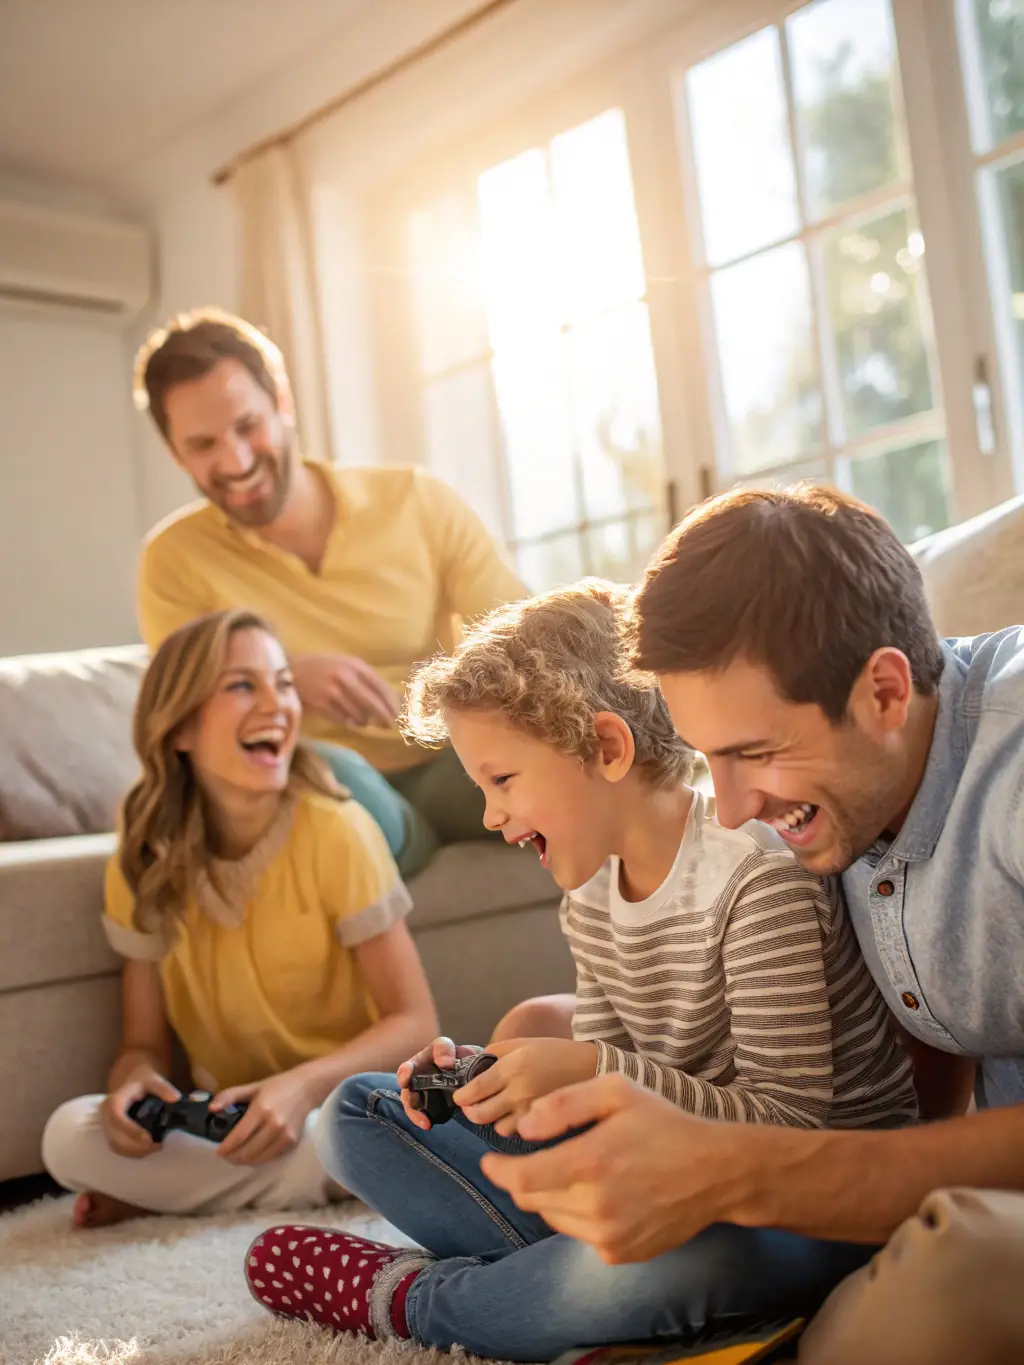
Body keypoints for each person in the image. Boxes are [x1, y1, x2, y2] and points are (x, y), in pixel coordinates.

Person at [242, 580, 918, 1361]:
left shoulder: (754, 881)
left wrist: (595, 1067)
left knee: (614, 1273)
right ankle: (591, 1306)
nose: (492, 814)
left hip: (805, 1208)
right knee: (355, 1113)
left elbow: (789, 1125)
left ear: (605, 747)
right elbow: (606, 1104)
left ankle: (414, 1298)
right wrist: (490, 1087)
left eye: (503, 780)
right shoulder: (592, 891)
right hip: (666, 1178)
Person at [461, 486, 1024, 1365]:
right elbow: (939, 1013)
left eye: (754, 753)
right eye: (709, 757)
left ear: (883, 689)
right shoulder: (854, 791)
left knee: (914, 1306)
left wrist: (749, 1172)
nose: (727, 812)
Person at [43, 608, 437, 1228]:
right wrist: (131, 1086)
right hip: (224, 1120)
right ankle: (301, 1184)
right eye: (242, 685)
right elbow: (142, 1045)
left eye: (283, 682)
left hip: (339, 1106)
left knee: (353, 1134)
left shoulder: (337, 832)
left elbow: (415, 1024)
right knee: (68, 1137)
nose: (277, 704)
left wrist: (301, 1087)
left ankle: (179, 1195)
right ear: (179, 729)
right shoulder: (143, 858)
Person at [132, 308, 526, 876]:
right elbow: (189, 715)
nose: (235, 461)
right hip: (326, 783)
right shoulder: (172, 561)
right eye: (203, 445)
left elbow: (523, 634)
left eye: (248, 427)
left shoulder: (416, 502)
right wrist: (288, 677)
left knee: (556, 760)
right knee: (330, 777)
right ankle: (402, 841)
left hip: (453, 760)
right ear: (176, 453)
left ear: (283, 402)